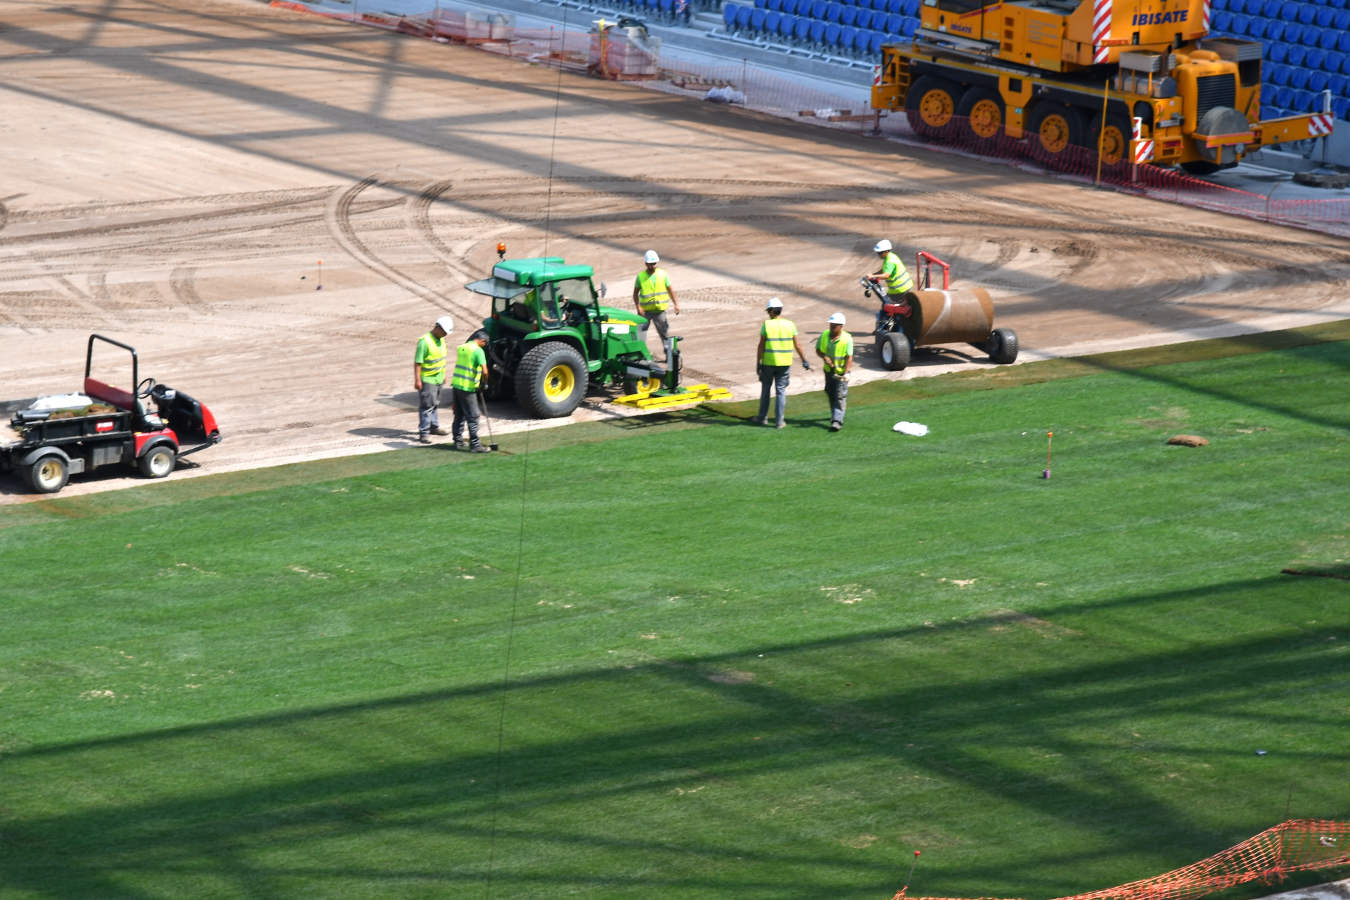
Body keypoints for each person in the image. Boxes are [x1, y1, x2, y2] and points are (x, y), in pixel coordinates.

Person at [754, 297, 810, 429]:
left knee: (766, 390)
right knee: (781, 391)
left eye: (768, 311)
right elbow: (798, 345)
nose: (768, 313)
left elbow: (761, 346)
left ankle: (762, 418)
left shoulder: (767, 325)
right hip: (784, 364)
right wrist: (804, 360)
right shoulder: (790, 324)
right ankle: (779, 421)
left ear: (772, 311)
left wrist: (758, 362)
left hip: (768, 363)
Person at [633, 249, 680, 364]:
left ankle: (669, 357)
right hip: (645, 313)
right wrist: (638, 307)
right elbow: (635, 294)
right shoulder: (641, 277)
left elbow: (670, 290)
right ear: (646, 263)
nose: (652, 266)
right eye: (650, 264)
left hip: (659, 311)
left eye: (654, 263)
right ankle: (640, 357)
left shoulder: (662, 274)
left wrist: (676, 304)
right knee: (640, 334)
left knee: (664, 335)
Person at [413, 315, 454, 443]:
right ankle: (424, 432)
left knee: (435, 403)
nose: (445, 335)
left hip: (438, 377)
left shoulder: (440, 340)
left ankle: (433, 427)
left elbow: (441, 359)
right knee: (427, 406)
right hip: (428, 379)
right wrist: (418, 380)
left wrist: (443, 374)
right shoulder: (424, 341)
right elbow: (418, 362)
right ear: (437, 327)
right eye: (444, 332)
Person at [451, 329, 492, 453]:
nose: (485, 346)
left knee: (459, 415)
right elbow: (485, 371)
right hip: (468, 388)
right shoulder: (478, 351)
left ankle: (457, 441)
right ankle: (475, 445)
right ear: (482, 341)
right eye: (485, 344)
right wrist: (483, 383)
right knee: (473, 416)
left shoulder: (462, 347)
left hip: (456, 385)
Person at [867, 238, 917, 330]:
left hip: (899, 290)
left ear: (886, 251)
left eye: (880, 253)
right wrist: (874, 275)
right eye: (878, 253)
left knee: (887, 307)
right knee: (900, 307)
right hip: (906, 287)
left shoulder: (889, 261)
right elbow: (885, 270)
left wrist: (874, 277)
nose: (879, 255)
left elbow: (886, 275)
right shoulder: (891, 257)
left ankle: (886, 327)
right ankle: (893, 324)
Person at [816, 312, 853, 432]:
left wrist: (847, 372)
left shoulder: (847, 339)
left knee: (840, 395)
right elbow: (818, 350)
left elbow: (849, 357)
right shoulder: (825, 335)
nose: (831, 328)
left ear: (841, 326)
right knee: (830, 392)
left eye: (834, 326)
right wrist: (824, 357)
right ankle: (835, 414)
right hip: (829, 371)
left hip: (841, 373)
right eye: (831, 325)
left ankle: (837, 421)